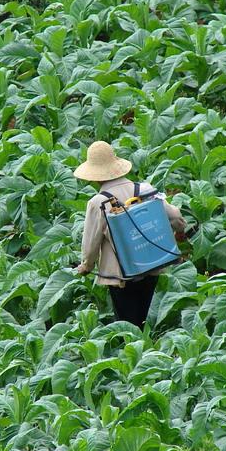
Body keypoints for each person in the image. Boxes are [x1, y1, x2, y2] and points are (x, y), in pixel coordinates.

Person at [74, 141, 186, 329]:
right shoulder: (144, 190)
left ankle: (134, 355)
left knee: (127, 326)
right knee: (144, 317)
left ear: (94, 176)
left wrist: (86, 266)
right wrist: (179, 230)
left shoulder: (99, 202)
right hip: (152, 264)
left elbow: (91, 244)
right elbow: (176, 218)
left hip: (121, 276)